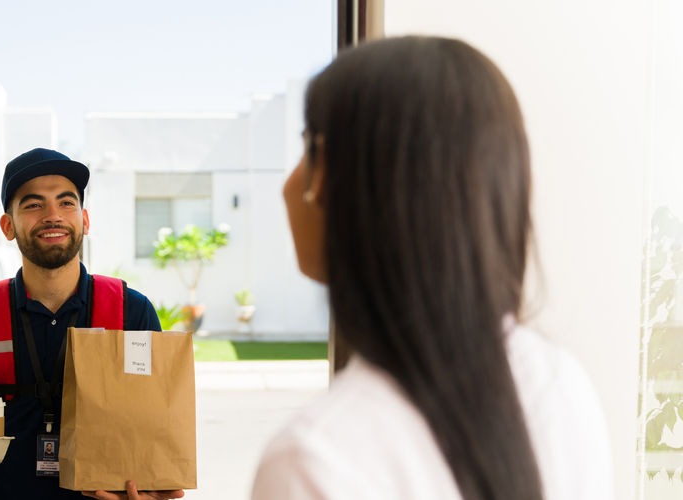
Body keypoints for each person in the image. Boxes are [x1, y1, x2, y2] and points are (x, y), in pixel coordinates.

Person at [252, 36, 613, 500]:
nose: (287, 184)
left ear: (327, 179)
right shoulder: (561, 385)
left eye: (306, 148)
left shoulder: (314, 458)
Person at [0, 148, 184, 500]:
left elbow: (152, 434)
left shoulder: (130, 312)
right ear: (8, 226)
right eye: (33, 205)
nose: (52, 216)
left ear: (85, 220)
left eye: (66, 202)